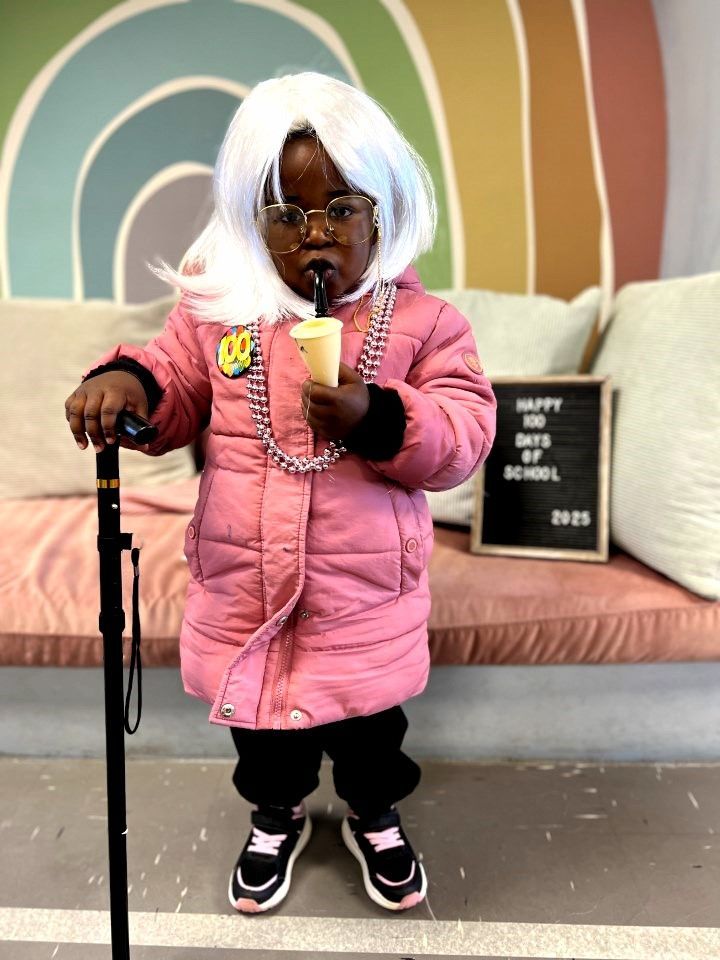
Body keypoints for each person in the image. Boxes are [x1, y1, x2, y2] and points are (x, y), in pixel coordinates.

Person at [65, 72, 496, 914]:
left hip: (363, 595)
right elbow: (177, 384)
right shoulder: (219, 317)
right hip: (247, 588)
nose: (316, 237)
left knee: (374, 735)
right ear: (248, 224)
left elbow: (464, 433)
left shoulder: (426, 325)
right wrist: (129, 384)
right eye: (286, 215)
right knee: (264, 739)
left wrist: (381, 418)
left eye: (342, 208)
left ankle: (376, 815)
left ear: (385, 211)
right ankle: (276, 814)